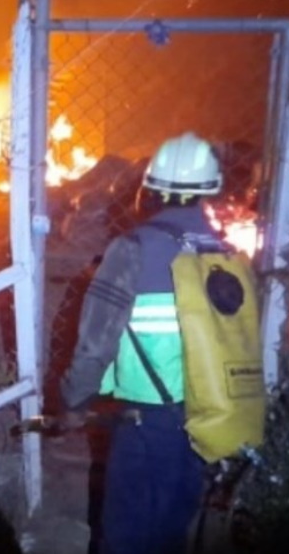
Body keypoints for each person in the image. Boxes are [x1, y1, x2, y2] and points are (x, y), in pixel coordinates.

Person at [58, 132, 225, 554]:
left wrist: (73, 401)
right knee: (173, 529)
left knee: (127, 535)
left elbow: (96, 340)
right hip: (207, 417)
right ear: (211, 190)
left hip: (149, 421)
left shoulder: (131, 249)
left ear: (149, 189)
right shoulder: (224, 252)